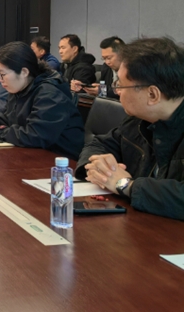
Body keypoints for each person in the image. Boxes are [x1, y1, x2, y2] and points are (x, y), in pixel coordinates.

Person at [76, 37, 184, 220]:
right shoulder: (138, 120)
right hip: (142, 222)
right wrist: (100, 167)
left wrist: (125, 185)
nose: (116, 91)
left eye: (120, 85)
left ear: (152, 94)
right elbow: (99, 144)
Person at [0, 41, 84, 159]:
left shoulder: (50, 94)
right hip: (31, 154)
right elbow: (6, 118)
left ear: (24, 72)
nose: (0, 79)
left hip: (59, 160)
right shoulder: (19, 89)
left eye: (3, 74)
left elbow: (36, 135)